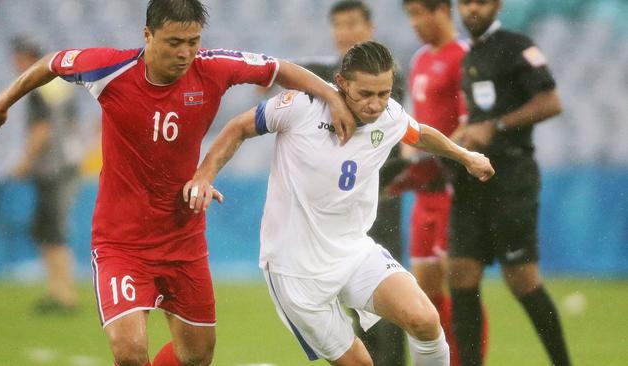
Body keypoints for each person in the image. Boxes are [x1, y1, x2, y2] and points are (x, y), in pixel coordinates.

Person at [0, 1, 356, 365]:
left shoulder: (214, 68)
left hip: (182, 237)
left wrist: (331, 97)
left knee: (196, 355)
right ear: (148, 35)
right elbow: (51, 63)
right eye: (174, 42)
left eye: (192, 42)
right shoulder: (109, 68)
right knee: (129, 350)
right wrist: (3, 100)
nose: (185, 53)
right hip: (121, 242)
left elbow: (279, 69)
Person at [186, 41, 494, 366]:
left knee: (425, 321)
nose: (376, 105)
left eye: (383, 93)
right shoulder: (301, 105)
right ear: (342, 83)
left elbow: (419, 133)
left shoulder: (389, 115)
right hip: (295, 270)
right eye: (365, 94)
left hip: (353, 253)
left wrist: (465, 156)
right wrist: (205, 175)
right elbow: (240, 127)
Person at [448, 1, 571, 365]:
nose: (472, 9)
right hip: (472, 181)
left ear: (497, 5)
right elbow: (479, 114)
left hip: (511, 179)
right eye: (466, 2)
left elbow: (551, 101)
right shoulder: (472, 55)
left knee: (522, 279)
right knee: (460, 275)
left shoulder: (517, 46)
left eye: (481, 1)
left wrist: (496, 126)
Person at [296, 2, 408, 364]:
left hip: (378, 203)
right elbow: (292, 72)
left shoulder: (389, 80)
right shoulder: (329, 77)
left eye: (352, 24)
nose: (345, 32)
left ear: (369, 28)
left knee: (384, 301)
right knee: (349, 302)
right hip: (334, 211)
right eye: (339, 25)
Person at [385, 1, 488, 364]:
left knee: (461, 288)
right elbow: (411, 123)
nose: (414, 23)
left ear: (441, 10)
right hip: (423, 194)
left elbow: (469, 123)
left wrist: (440, 158)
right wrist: (404, 164)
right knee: (426, 291)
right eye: (409, 15)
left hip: (452, 191)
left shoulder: (464, 56)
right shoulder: (419, 60)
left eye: (419, 14)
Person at [9, 35, 81, 314]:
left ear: (28, 58)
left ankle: (64, 294)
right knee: (50, 231)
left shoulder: (36, 88)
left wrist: (25, 162)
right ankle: (57, 290)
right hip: (66, 165)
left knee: (53, 232)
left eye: (18, 58)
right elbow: (73, 123)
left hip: (52, 169)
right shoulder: (59, 86)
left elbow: (41, 129)